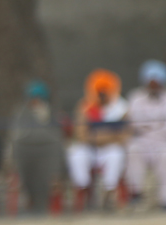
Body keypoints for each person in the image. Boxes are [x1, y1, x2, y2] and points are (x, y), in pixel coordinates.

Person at [126, 60, 166, 208]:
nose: (153, 86)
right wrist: (159, 126)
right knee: (133, 149)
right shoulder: (135, 97)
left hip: (165, 143)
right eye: (150, 83)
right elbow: (134, 125)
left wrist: (149, 128)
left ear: (163, 82)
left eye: (156, 83)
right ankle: (136, 194)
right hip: (142, 142)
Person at [66, 69, 129, 209]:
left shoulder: (121, 108)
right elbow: (81, 135)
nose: (102, 95)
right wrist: (109, 135)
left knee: (116, 154)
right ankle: (83, 192)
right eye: (99, 91)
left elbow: (124, 135)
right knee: (76, 153)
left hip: (109, 149)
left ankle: (109, 193)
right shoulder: (85, 106)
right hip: (90, 148)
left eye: (105, 91)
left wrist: (97, 136)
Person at [10, 80, 64, 213]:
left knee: (54, 161)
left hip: (47, 152)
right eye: (33, 98)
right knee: (20, 163)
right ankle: (27, 194)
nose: (35, 101)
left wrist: (43, 116)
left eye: (38, 98)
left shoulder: (51, 113)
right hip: (26, 152)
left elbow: (56, 136)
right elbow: (16, 135)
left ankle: (52, 190)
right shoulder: (21, 112)